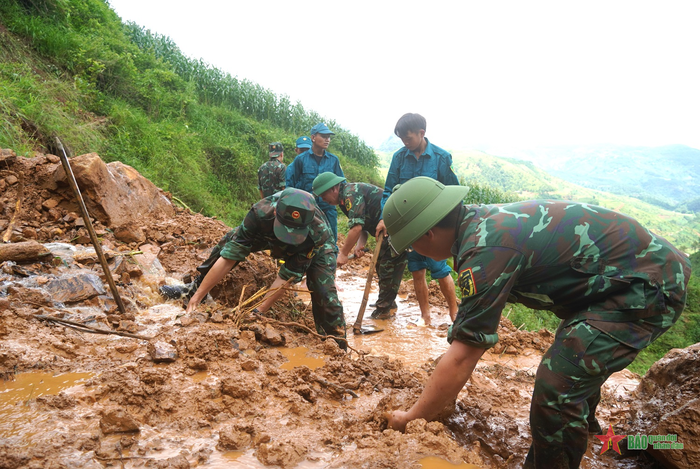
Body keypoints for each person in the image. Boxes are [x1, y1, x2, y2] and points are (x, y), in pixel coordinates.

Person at [382, 177, 691, 468]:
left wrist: (411, 418)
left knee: (557, 384)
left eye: (410, 243)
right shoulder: (478, 225)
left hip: (647, 286)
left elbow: (464, 354)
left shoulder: (486, 252)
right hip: (617, 282)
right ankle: (586, 432)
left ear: (428, 234)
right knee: (573, 353)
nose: (413, 250)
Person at [159, 188, 347, 348]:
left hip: (306, 244)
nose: (287, 236)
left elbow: (287, 276)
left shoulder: (318, 234)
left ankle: (337, 347)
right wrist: (198, 296)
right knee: (228, 241)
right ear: (275, 213)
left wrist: (258, 312)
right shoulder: (260, 212)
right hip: (269, 231)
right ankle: (194, 289)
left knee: (324, 292)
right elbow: (231, 256)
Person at [376, 113, 459, 325]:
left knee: (441, 270)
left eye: (409, 137)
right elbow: (388, 191)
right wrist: (385, 217)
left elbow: (452, 192)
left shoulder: (441, 158)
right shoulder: (399, 158)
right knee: (416, 271)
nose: (405, 142)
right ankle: (425, 317)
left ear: (422, 133)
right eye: (402, 138)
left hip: (435, 228)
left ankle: (455, 312)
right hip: (410, 228)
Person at [313, 172, 406, 319]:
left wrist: (343, 253)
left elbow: (356, 227)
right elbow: (362, 225)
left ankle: (383, 310)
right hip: (385, 229)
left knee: (388, 266)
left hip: (397, 226)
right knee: (381, 265)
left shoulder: (350, 194)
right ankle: (388, 302)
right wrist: (359, 246)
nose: (323, 200)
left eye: (324, 196)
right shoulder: (344, 199)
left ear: (333, 189)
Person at [286, 123, 344, 242]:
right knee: (305, 241)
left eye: (328, 137)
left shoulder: (333, 160)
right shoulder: (300, 160)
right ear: (313, 137)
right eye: (323, 136)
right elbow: (290, 185)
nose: (327, 139)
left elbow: (342, 185)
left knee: (331, 241)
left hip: (328, 209)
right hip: (306, 209)